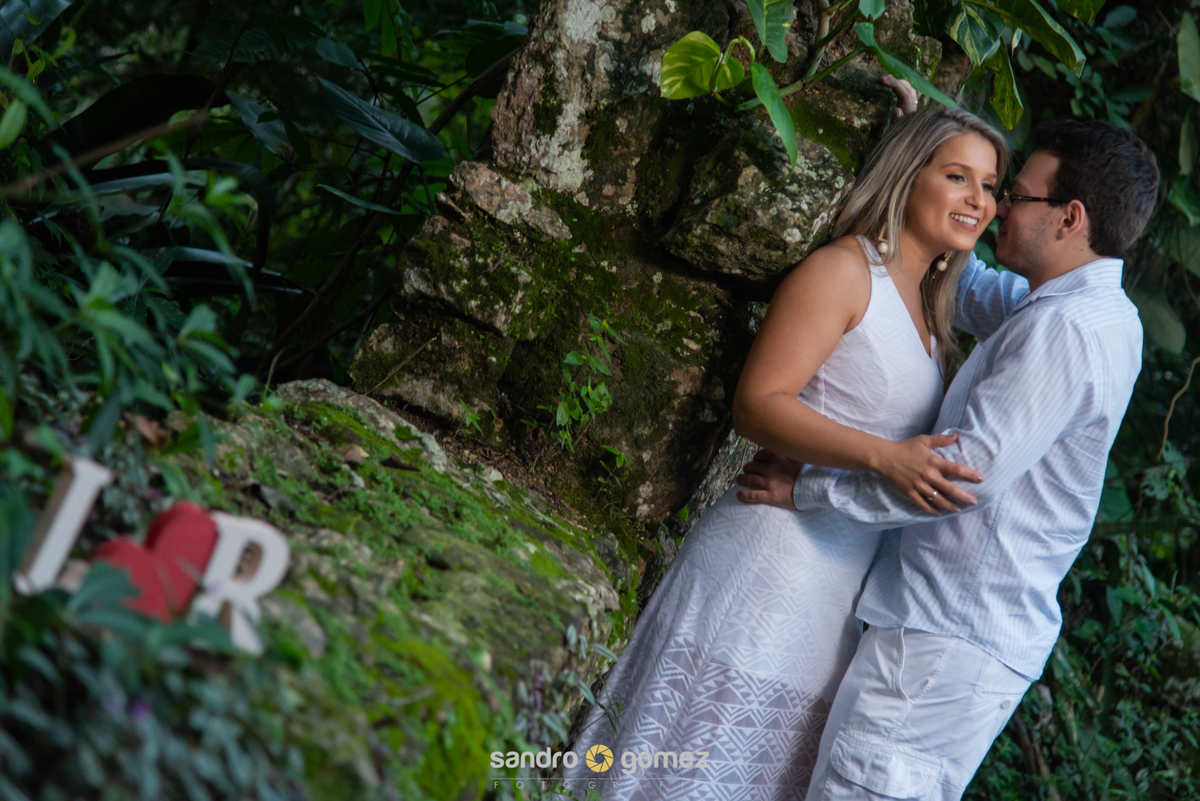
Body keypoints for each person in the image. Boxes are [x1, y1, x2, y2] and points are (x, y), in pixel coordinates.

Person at [559, 104, 1006, 801]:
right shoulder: (844, 271)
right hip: (763, 565)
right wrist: (886, 457)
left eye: (990, 184)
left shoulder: (931, 313)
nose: (979, 198)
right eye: (957, 175)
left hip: (830, 602)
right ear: (906, 174)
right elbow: (760, 402)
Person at [735, 83, 1159, 800]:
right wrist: (921, 164)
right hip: (942, 630)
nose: (994, 207)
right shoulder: (1070, 307)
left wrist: (805, 487)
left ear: (1070, 217)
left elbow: (957, 476)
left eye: (1012, 195)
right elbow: (964, 286)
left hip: (943, 640)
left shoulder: (1067, 330)